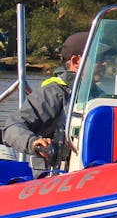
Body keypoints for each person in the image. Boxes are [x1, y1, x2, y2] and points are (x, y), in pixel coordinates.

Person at [1, 31, 87, 162]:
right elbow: (12, 126)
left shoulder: (106, 96)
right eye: (99, 57)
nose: (105, 63)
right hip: (57, 174)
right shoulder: (54, 93)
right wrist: (34, 143)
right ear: (76, 61)